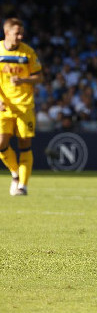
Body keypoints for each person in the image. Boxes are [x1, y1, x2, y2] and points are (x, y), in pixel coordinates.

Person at [0, 18, 44, 196]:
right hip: (4, 105)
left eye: (21, 33)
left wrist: (23, 80)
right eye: (17, 33)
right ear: (7, 33)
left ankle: (22, 186)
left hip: (24, 106)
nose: (20, 36)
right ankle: (15, 172)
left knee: (24, 145)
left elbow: (39, 77)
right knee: (1, 144)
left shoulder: (28, 53)